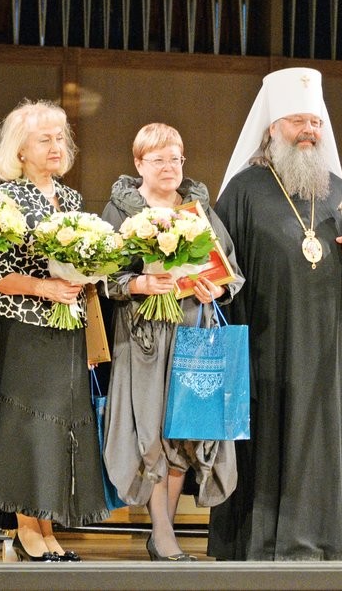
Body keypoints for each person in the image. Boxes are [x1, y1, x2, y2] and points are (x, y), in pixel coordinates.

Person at [207, 67, 342, 561]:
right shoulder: (244, 188)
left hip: (330, 345)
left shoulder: (338, 189)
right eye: (299, 121)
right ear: (273, 127)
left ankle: (330, 541)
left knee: (326, 438)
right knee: (271, 437)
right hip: (267, 343)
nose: (310, 131)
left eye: (316, 122)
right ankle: (263, 542)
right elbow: (222, 269)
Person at [0, 100, 108, 562]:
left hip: (66, 330)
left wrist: (89, 275)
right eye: (44, 139)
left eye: (60, 138)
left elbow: (84, 266)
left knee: (59, 428)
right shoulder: (4, 199)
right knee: (27, 426)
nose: (55, 146)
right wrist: (46, 287)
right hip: (22, 326)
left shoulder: (71, 199)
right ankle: (26, 527)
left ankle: (47, 524)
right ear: (19, 149)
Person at [100, 122, 244, 561]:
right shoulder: (122, 209)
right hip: (144, 334)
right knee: (152, 430)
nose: (169, 166)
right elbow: (106, 276)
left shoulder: (199, 208)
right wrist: (142, 283)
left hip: (193, 333)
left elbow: (230, 269)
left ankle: (166, 528)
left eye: (176, 158)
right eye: (158, 158)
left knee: (186, 429)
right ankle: (160, 530)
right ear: (139, 163)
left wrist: (215, 289)